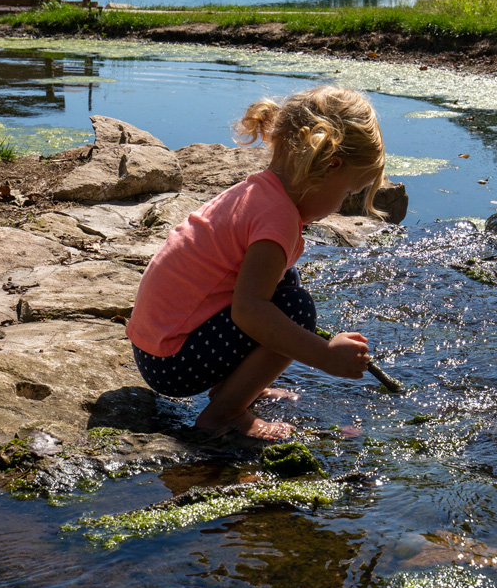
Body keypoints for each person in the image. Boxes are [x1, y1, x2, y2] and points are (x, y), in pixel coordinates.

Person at [127, 86, 386, 439]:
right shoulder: (276, 219)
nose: (341, 205)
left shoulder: (258, 192)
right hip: (171, 363)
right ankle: (225, 413)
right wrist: (325, 356)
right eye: (348, 193)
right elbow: (248, 312)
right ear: (329, 166)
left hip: (156, 345)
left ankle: (237, 387)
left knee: (285, 282)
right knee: (295, 309)